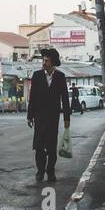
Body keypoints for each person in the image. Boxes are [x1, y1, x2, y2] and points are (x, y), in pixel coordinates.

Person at [27, 47, 70, 183]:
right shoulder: (37, 75)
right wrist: (30, 116)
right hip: (39, 117)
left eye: (46, 60)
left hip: (53, 118)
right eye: (43, 60)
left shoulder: (60, 77)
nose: (43, 63)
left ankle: (50, 171)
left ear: (53, 62)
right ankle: (40, 171)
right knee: (39, 146)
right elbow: (32, 97)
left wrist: (66, 118)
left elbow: (65, 98)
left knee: (51, 146)